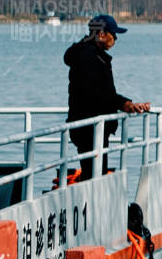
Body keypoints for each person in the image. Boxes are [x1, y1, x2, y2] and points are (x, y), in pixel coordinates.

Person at [63, 14, 150, 182]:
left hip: (93, 127)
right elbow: (98, 94)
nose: (115, 39)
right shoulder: (88, 57)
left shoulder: (92, 54)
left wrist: (127, 104)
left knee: (95, 173)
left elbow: (103, 93)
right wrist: (125, 104)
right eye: (113, 34)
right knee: (94, 175)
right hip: (89, 128)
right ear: (101, 34)